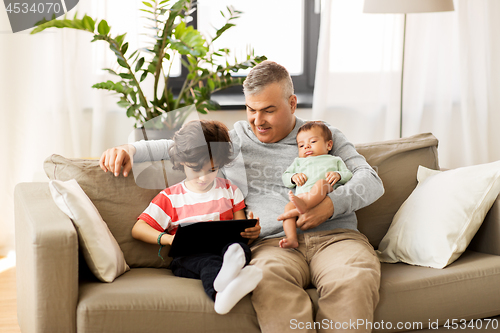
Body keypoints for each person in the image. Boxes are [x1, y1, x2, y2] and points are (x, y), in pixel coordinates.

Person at [100, 61, 384, 333]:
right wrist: (129, 149)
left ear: (293, 103)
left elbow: (370, 180)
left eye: (268, 110)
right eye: (251, 109)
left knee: (353, 280)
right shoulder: (234, 140)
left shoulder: (322, 136)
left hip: (337, 237)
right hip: (273, 245)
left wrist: (330, 206)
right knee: (265, 282)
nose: (257, 121)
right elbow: (177, 146)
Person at [130, 119, 263, 315]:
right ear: (182, 161)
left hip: (224, 251)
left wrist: (251, 232)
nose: (203, 178)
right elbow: (138, 229)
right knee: (210, 264)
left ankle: (228, 276)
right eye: (195, 169)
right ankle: (220, 298)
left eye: (212, 170)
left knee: (239, 249)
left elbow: (239, 228)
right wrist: (168, 239)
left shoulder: (230, 191)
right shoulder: (170, 197)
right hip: (188, 257)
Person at [279, 121, 353, 248]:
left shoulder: (334, 159)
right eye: (301, 146)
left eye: (312, 142)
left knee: (321, 183)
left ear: (329, 145)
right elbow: (285, 177)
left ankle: (306, 205)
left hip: (326, 193)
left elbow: (348, 174)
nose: (306, 147)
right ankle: (291, 238)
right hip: (302, 196)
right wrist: (293, 177)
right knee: (288, 207)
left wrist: (338, 175)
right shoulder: (299, 162)